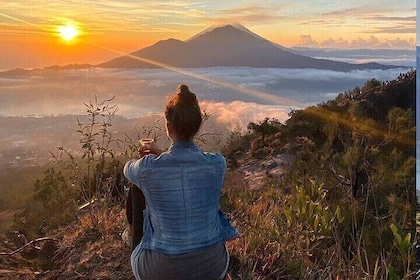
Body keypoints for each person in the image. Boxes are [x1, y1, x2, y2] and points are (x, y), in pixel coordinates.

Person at [123, 84, 238, 280]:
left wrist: (155, 155)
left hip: (160, 271)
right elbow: (187, 165)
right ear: (198, 126)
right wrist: (162, 155)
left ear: (169, 127)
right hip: (213, 268)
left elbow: (128, 169)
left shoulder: (147, 168)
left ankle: (133, 238)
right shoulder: (218, 164)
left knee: (137, 187)